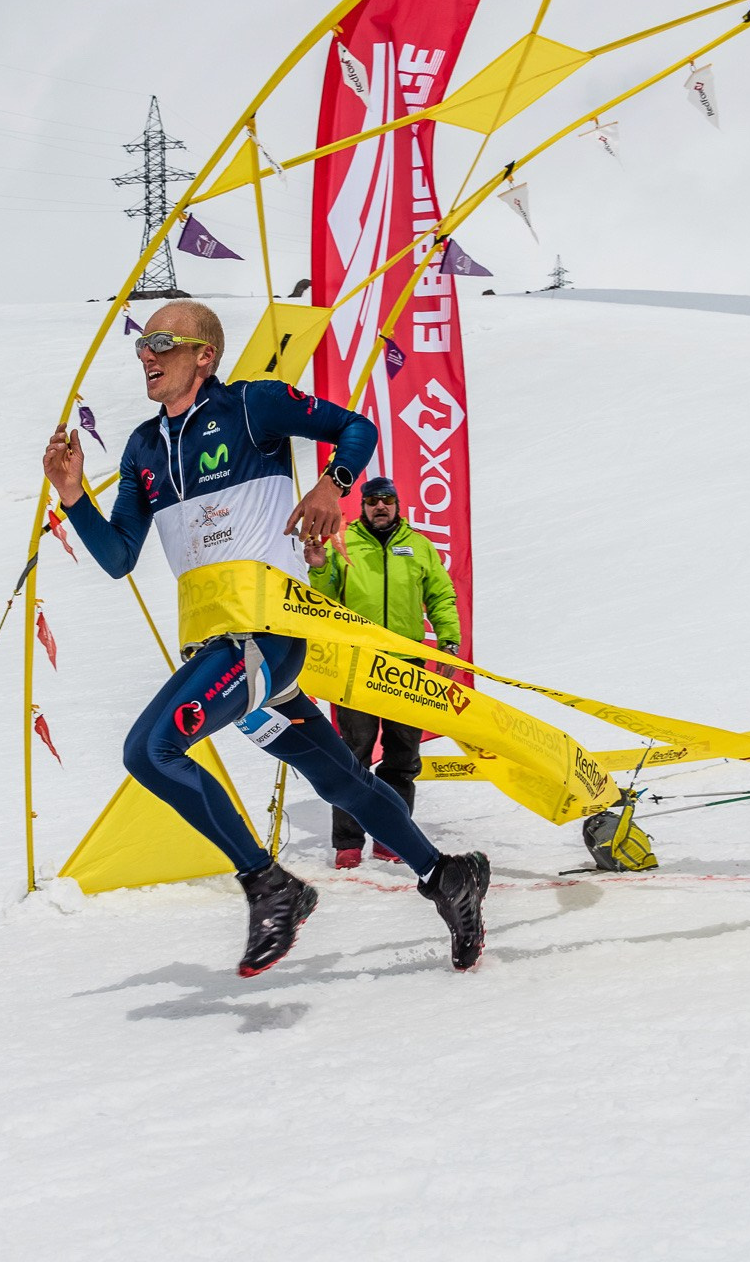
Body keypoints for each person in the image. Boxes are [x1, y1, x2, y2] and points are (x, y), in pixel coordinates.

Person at [43, 302, 492, 975]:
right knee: (339, 779)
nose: (146, 354)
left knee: (150, 750)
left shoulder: (252, 406)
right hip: (223, 653)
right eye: (141, 345)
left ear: (204, 355)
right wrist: (74, 495)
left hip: (265, 636)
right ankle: (446, 875)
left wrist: (334, 486)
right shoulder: (142, 447)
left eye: (162, 341)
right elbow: (117, 557)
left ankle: (268, 884)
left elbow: (358, 428)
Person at [304, 475, 461, 868]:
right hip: (357, 665)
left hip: (406, 667)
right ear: (362, 505)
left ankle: (393, 838)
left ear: (396, 505)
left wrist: (449, 641)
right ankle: (348, 843)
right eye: (372, 500)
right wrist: (320, 569)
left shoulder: (419, 545)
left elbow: (441, 595)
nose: (379, 506)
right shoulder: (343, 541)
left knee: (403, 756)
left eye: (386, 500)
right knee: (353, 756)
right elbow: (324, 600)